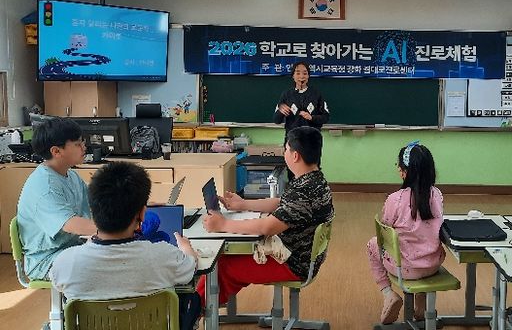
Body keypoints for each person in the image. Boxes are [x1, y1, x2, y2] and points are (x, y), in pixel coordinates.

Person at [49, 162, 200, 330]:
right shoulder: (163, 255)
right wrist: (186, 248)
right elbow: (190, 268)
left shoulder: (66, 262)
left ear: (93, 210)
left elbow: (57, 283)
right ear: (142, 214)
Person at [197, 126, 334, 305]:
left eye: (286, 149)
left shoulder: (304, 190)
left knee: (222, 266)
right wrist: (244, 204)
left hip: (293, 263)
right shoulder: (314, 180)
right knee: (227, 260)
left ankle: (195, 310)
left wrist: (223, 225)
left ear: (295, 156)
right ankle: (208, 305)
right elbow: (280, 202)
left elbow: (268, 227)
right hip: (300, 256)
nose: (284, 153)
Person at [366, 141, 446, 325]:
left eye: (399, 166)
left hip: (404, 269)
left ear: (404, 171)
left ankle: (389, 294)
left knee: (372, 244)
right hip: (432, 266)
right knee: (422, 243)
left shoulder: (395, 199)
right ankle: (421, 300)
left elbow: (385, 230)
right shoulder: (436, 195)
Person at [16, 117, 96, 280]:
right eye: (77, 144)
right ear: (56, 151)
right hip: (46, 260)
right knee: (111, 260)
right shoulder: (45, 187)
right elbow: (70, 224)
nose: (84, 147)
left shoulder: (70, 175)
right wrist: (116, 231)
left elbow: (96, 201)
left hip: (72, 247)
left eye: (82, 142)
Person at [273, 61, 330, 138]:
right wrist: (281, 112)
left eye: (305, 73)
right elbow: (276, 120)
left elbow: (326, 117)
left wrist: (312, 118)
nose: (301, 76)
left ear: (308, 76)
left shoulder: (316, 94)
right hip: (293, 139)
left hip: (312, 138)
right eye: (298, 73)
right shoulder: (286, 95)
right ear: (293, 76)